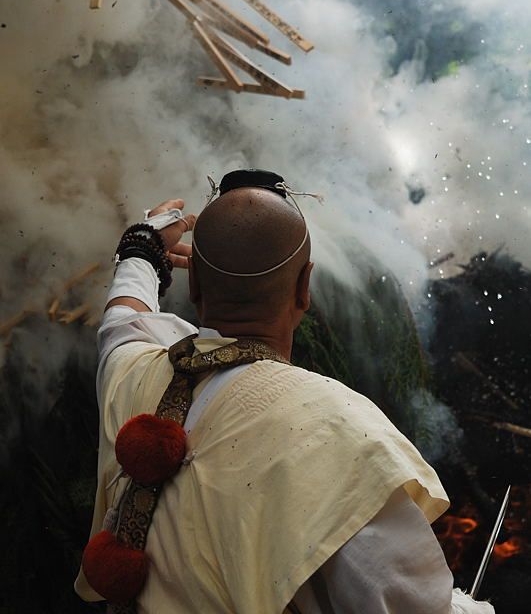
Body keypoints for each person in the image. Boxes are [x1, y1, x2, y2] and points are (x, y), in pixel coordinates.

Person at [75, 171, 495, 613]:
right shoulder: (338, 428)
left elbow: (123, 319)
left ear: (193, 283)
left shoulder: (132, 376)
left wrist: (141, 248)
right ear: (304, 287)